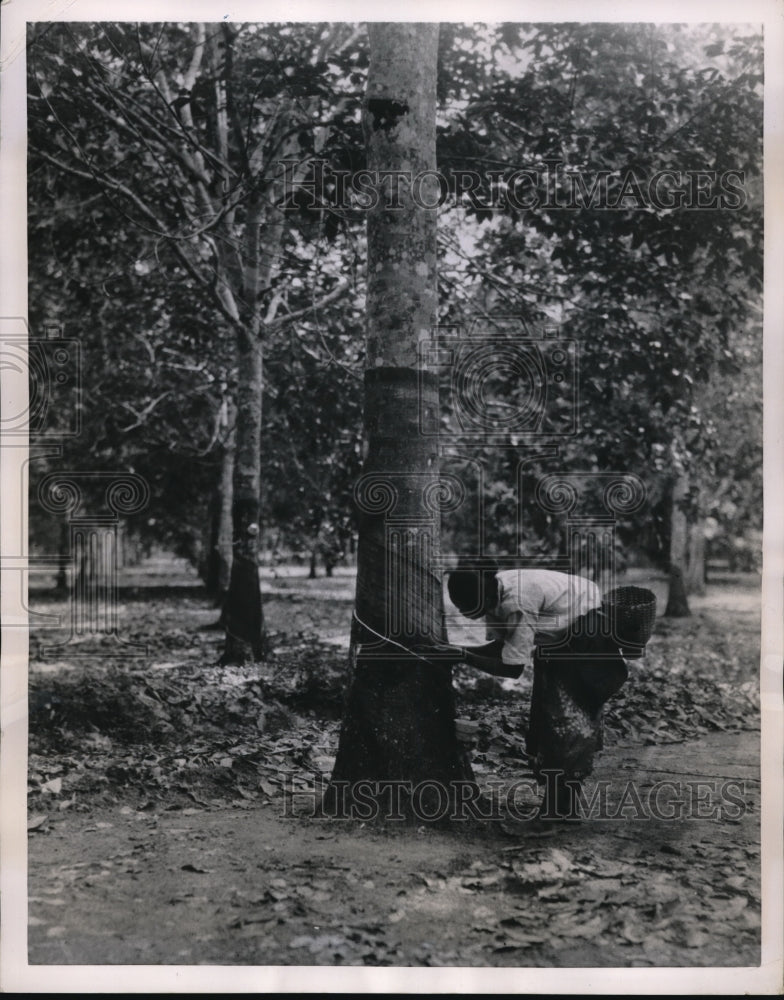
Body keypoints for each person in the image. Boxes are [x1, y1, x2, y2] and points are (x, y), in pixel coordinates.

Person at [428, 563, 629, 820]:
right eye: (461, 608)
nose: (466, 615)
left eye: (469, 609)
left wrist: (462, 655)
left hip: (586, 635)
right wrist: (458, 652)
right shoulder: (495, 592)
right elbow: (503, 646)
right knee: (551, 722)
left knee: (567, 724)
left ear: (487, 596)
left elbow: (512, 668)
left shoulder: (517, 603)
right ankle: (563, 807)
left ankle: (559, 811)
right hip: (563, 637)